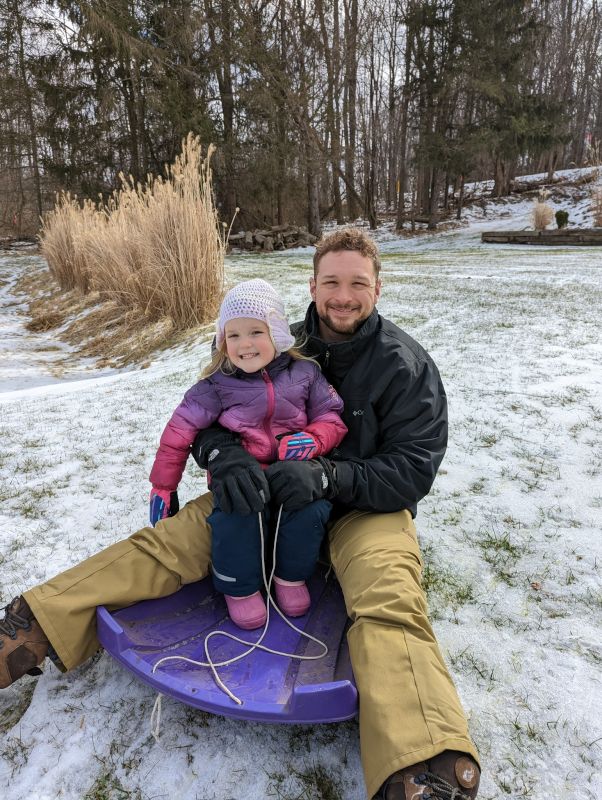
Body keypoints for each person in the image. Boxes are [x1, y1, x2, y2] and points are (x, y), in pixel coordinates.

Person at [0, 228, 481, 800]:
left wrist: (330, 475)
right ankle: (33, 624)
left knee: (388, 597)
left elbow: (412, 469)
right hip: (264, 499)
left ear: (378, 287)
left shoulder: (405, 366)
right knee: (172, 543)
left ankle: (421, 763)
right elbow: (204, 409)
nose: (343, 295)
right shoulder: (272, 340)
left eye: (357, 283)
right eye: (332, 281)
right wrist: (223, 455)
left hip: (361, 510)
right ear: (313, 285)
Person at [148, 278, 347, 629]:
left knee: (310, 507)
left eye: (255, 332)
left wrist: (314, 440)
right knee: (236, 512)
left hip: (291, 470)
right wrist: (164, 486)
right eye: (233, 335)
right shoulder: (216, 385)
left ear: (277, 333)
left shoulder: (306, 374)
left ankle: (290, 577)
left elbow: (331, 417)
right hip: (243, 474)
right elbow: (178, 433)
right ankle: (239, 589)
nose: (244, 344)